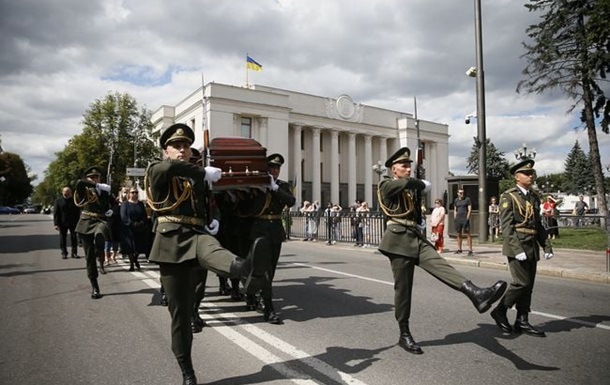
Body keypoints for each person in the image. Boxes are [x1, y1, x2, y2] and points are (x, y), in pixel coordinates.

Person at [145, 123, 272, 385]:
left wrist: (213, 218)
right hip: (170, 239)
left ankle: (246, 269)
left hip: (196, 234)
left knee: (215, 250)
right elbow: (171, 169)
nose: (182, 150)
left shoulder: (198, 178)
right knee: (180, 315)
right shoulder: (157, 169)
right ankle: (187, 371)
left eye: (186, 146)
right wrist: (202, 171)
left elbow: (210, 204)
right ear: (166, 150)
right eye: (176, 146)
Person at [377, 147, 507, 355]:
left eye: (410, 166)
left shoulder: (408, 189)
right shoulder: (386, 184)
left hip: (414, 237)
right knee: (404, 291)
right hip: (398, 242)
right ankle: (404, 333)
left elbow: (414, 211)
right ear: (394, 169)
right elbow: (400, 187)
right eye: (404, 166)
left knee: (441, 265)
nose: (408, 169)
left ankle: (476, 293)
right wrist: (420, 183)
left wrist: (418, 194)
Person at [490, 159, 554, 337]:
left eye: (531, 173)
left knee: (529, 286)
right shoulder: (508, 196)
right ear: (517, 177)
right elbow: (507, 226)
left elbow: (538, 224)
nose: (531, 176)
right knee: (521, 283)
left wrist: (546, 246)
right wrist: (517, 249)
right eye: (526, 173)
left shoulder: (533, 197)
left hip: (532, 245)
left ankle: (522, 320)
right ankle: (500, 310)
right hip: (517, 245)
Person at [245, 153, 296, 324]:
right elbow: (250, 208)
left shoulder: (282, 185)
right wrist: (262, 188)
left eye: (277, 168)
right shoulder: (257, 185)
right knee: (263, 270)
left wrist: (275, 188)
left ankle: (256, 294)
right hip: (259, 230)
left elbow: (290, 201)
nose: (275, 170)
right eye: (272, 167)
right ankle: (269, 309)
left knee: (271, 270)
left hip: (274, 230)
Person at [73, 166, 114, 299]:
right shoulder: (83, 189)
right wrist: (95, 184)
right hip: (86, 222)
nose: (95, 179)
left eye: (97, 177)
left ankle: (100, 245)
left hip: (100, 220)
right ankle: (95, 286)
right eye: (92, 177)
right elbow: (79, 183)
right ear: (87, 179)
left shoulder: (104, 191)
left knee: (100, 233)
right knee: (89, 257)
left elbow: (114, 203)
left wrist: (112, 210)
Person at [120, 187, 152, 271]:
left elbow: (144, 215)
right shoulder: (125, 204)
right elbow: (123, 216)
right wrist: (132, 223)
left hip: (140, 228)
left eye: (136, 192)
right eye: (133, 192)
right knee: (130, 248)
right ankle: (132, 264)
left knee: (139, 247)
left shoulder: (140, 204)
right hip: (129, 229)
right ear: (129, 194)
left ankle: (135, 259)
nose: (135, 194)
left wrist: (141, 223)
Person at [53, 186, 81, 259]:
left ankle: (74, 253)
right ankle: (64, 253)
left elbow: (78, 212)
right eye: (65, 194)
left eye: (68, 194)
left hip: (73, 222)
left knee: (74, 238)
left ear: (71, 193)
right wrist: (56, 224)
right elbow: (56, 213)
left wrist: (79, 222)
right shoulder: (58, 201)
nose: (66, 195)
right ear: (62, 193)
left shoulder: (74, 200)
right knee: (63, 238)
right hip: (62, 222)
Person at [453, 188, 473, 256]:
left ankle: (470, 250)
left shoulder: (467, 199)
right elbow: (455, 209)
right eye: (460, 193)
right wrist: (455, 217)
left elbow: (469, 209)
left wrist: (467, 217)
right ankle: (459, 249)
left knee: (467, 233)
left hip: (464, 218)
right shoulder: (456, 200)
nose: (462, 194)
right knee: (458, 234)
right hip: (458, 218)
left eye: (463, 193)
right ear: (458, 193)